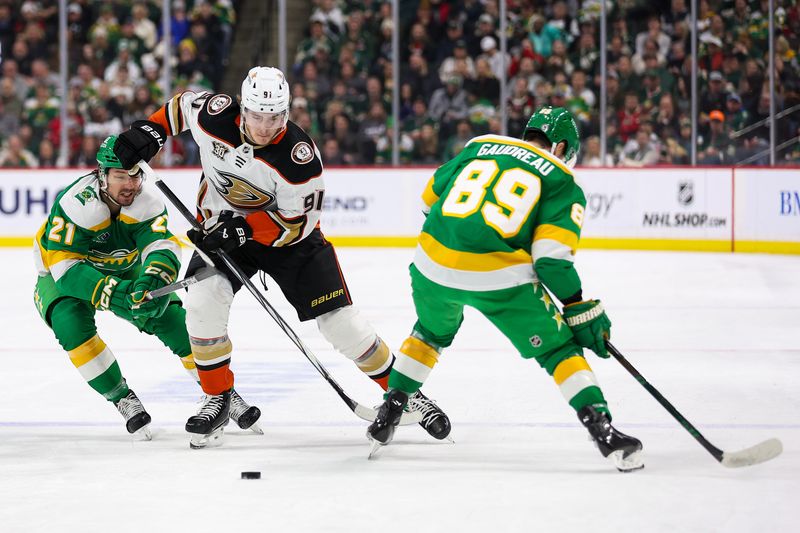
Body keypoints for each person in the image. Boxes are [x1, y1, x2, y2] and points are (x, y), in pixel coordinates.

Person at [112, 66, 451, 447]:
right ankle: (218, 396)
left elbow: (299, 223)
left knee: (342, 325)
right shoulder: (214, 114)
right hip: (221, 232)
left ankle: (406, 394)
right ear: (243, 108)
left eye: (275, 116)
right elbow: (181, 106)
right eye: (257, 115)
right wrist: (152, 131)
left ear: (287, 111)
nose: (265, 125)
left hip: (290, 241)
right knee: (203, 304)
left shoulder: (299, 158)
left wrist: (245, 229)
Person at [367, 107, 644, 472]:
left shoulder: (480, 146)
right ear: (560, 147)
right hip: (496, 276)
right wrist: (578, 305)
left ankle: (389, 411)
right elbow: (551, 262)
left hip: (430, 263)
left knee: (430, 332)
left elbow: (426, 202)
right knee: (559, 348)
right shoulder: (562, 181)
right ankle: (603, 431)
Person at [33, 135, 261, 442]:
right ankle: (121, 397)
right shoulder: (75, 203)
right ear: (102, 176)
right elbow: (66, 269)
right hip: (62, 274)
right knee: (69, 324)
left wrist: (155, 278)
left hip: (124, 265)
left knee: (168, 317)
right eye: (119, 176)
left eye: (135, 175)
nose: (129, 184)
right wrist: (116, 295)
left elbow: (162, 247)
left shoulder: (148, 202)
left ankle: (220, 392)